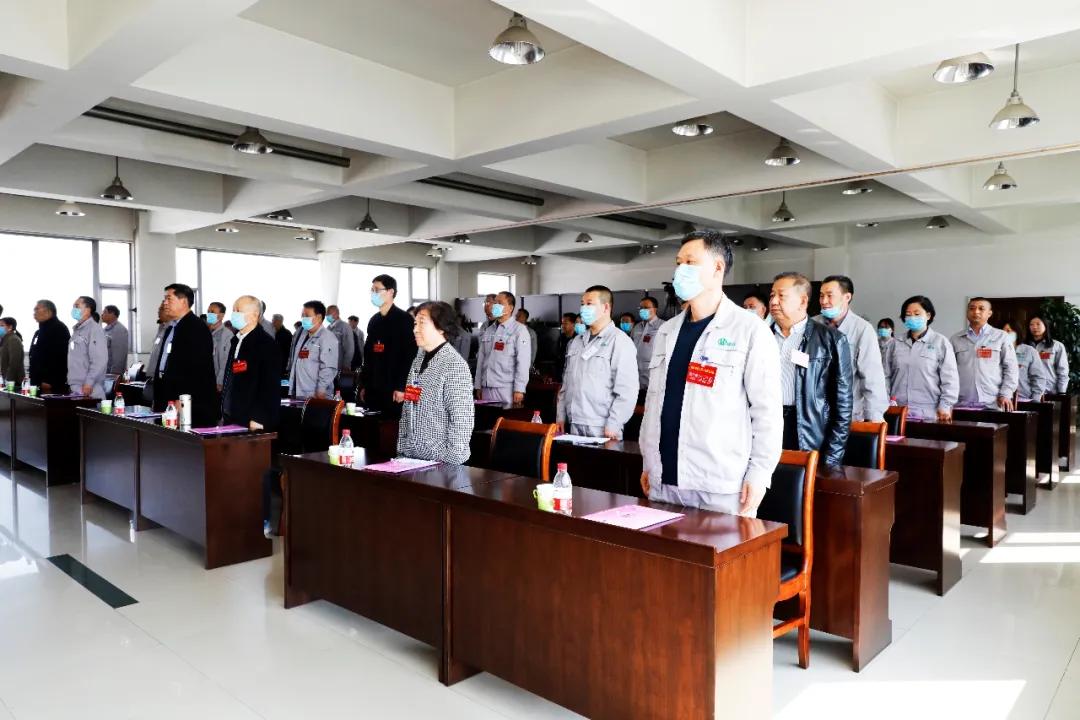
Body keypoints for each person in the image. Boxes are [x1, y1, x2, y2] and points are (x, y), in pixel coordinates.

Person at [639, 230, 782, 516]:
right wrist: (649, 462)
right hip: (663, 480)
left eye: (690, 262)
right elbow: (654, 403)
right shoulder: (667, 331)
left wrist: (759, 474)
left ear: (717, 267)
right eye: (678, 263)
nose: (680, 270)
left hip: (720, 485)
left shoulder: (749, 330)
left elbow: (766, 412)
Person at [769, 272, 852, 467]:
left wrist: (831, 457)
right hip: (765, 425)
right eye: (772, 295)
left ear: (803, 301)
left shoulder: (831, 339)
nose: (773, 301)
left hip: (806, 430)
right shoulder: (760, 335)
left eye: (781, 296)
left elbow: (843, 405)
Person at [396, 301, 475, 464]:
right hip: (411, 458)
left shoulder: (454, 365)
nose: (415, 329)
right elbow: (408, 408)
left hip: (441, 463)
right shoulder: (418, 359)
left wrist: (450, 462)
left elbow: (461, 421)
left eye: (422, 323)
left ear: (441, 327)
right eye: (415, 324)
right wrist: (402, 449)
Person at [556, 285, 637, 439]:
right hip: (573, 423)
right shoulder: (577, 341)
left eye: (589, 304)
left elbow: (627, 391)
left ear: (606, 307)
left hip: (602, 426)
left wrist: (614, 423)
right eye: (582, 304)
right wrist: (560, 416)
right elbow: (566, 383)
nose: (583, 308)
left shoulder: (619, 341)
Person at [814, 275, 887, 422]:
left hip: (848, 415)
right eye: (821, 296)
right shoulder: (812, 325)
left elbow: (872, 378)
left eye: (829, 295)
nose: (824, 301)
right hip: (815, 413)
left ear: (847, 297)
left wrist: (874, 419)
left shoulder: (862, 329)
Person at [147, 284, 219, 426]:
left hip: (187, 402)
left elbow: (197, 369)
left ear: (184, 301)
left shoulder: (196, 327)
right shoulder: (172, 327)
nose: (165, 303)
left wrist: (183, 399)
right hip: (167, 396)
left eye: (169, 299)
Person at [883, 295, 959, 422]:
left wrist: (945, 405)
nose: (912, 317)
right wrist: (885, 402)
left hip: (930, 411)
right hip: (897, 410)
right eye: (908, 314)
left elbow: (950, 379)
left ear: (928, 315)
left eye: (917, 314)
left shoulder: (940, 342)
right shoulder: (895, 343)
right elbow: (885, 376)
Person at [220, 295, 281, 431]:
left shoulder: (266, 344)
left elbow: (270, 386)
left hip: (252, 419)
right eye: (233, 310)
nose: (234, 315)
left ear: (254, 316)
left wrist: (259, 417)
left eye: (238, 311)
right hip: (233, 413)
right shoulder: (236, 340)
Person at [951, 297, 1018, 411]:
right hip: (961, 403)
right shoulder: (955, 339)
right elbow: (948, 371)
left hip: (993, 403)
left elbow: (1011, 368)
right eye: (972, 308)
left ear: (989, 313)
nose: (976, 311)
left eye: (981, 309)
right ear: (967, 312)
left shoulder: (1001, 336)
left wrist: (1005, 394)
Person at [362, 275, 417, 414]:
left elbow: (409, 357)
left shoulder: (404, 320)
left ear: (391, 292)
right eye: (372, 290)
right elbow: (368, 356)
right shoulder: (374, 321)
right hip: (374, 386)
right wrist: (364, 385)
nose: (373, 293)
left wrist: (401, 387)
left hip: (394, 388)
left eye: (377, 290)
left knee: (392, 423)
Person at [475, 292, 531, 408]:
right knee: (487, 419)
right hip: (486, 387)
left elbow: (523, 362)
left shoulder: (519, 330)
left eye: (500, 303)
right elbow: (481, 359)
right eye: (495, 303)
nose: (495, 306)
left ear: (510, 308)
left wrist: (519, 389)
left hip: (506, 389)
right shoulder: (489, 330)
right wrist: (478, 385)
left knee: (504, 419)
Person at [288, 300, 338, 399]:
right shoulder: (302, 334)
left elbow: (328, 367)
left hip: (315, 394)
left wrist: (321, 389)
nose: (303, 318)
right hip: (299, 391)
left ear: (319, 317)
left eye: (307, 316)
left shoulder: (327, 337)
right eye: (302, 315)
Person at [66, 296, 108, 399]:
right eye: (73, 307)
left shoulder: (94, 330)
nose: (74, 309)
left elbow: (99, 360)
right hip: (76, 386)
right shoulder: (77, 330)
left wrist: (89, 383)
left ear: (88, 309)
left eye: (77, 306)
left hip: (89, 389)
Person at [28, 299, 70, 392]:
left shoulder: (58, 329)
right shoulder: (39, 331)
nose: (34, 313)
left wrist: (50, 381)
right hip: (37, 381)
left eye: (37, 309)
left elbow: (60, 358)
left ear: (48, 312)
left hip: (49, 383)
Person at [1004, 321, 1048, 402]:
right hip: (999, 400)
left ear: (1017, 333)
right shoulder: (996, 351)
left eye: (1008, 331)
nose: (1005, 334)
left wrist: (1035, 399)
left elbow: (1038, 377)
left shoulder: (1029, 351)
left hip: (1023, 398)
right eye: (1002, 331)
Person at [1027, 314, 1070, 394]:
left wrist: (1062, 392)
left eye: (1038, 324)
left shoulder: (1057, 346)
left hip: (1048, 392)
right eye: (1031, 324)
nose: (1034, 327)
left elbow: (1062, 371)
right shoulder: (1023, 346)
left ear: (1045, 326)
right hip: (1027, 392)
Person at [632, 297, 663, 391]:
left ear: (655, 309)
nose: (642, 310)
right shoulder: (637, 327)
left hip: (653, 374)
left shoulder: (663, 326)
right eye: (641, 308)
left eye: (646, 307)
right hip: (635, 373)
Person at [206, 301, 231, 393]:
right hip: (207, 379)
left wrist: (220, 381)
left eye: (212, 312)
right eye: (208, 311)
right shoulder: (206, 332)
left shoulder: (227, 335)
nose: (209, 314)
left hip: (218, 383)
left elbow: (225, 361)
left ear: (221, 316)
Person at [325, 304, 355, 376]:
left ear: (337, 314)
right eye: (327, 314)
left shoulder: (345, 327)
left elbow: (349, 348)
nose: (327, 316)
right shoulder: (328, 328)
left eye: (329, 313)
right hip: (328, 365)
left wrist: (346, 365)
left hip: (339, 366)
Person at [100, 305, 129, 376]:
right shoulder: (105, 330)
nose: (102, 314)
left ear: (112, 314)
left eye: (105, 312)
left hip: (112, 374)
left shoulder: (119, 330)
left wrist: (114, 375)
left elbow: (119, 356)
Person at [0, 317, 25, 385]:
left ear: (10, 327)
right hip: (7, 379)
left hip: (13, 380)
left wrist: (8, 380)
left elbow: (14, 362)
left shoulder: (13, 339)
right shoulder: (5, 339)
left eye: (2, 325)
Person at [556, 313, 576, 380]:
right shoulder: (561, 337)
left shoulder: (578, 338)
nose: (563, 326)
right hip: (561, 371)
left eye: (566, 323)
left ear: (573, 324)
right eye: (562, 323)